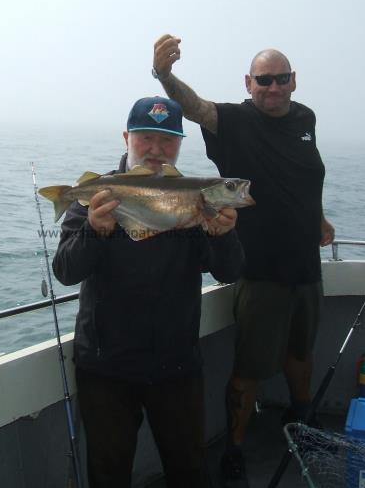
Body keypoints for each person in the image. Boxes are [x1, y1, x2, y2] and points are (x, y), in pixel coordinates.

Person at [151, 35, 335, 486]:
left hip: (306, 268)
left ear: (293, 81)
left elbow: (303, 174)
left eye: (282, 78)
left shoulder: (305, 118)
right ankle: (235, 448)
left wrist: (320, 218)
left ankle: (302, 420)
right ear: (248, 83)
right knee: (248, 370)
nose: (273, 87)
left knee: (301, 353)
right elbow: (193, 106)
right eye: (264, 80)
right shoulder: (231, 121)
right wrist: (164, 75)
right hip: (260, 272)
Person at [52, 96, 245, 488]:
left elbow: (230, 271)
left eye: (168, 140)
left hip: (176, 363)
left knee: (190, 470)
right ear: (126, 138)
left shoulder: (195, 198)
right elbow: (66, 271)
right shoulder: (97, 193)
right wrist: (95, 232)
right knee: (108, 473)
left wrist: (224, 236)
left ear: (180, 144)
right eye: (146, 138)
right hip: (106, 366)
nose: (156, 149)